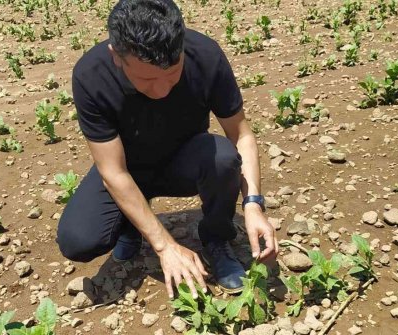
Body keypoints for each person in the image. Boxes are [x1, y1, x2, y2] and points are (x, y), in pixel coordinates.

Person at [56, 0, 277, 299]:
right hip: (128, 168)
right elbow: (112, 171)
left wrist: (252, 204)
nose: (161, 90)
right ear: (116, 56)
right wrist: (164, 245)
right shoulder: (91, 75)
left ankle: (216, 238)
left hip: (184, 160)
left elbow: (241, 135)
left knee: (223, 156)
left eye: (173, 74)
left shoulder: (205, 55)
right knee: (78, 241)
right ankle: (132, 226)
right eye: (146, 79)